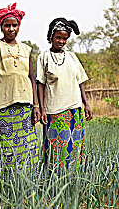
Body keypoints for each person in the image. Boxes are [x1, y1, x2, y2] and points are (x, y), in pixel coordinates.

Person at [0, 3, 40, 172]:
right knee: (4, 150)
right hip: (3, 106)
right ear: (1, 26)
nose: (11, 29)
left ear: (19, 26)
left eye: (14, 25)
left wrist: (35, 106)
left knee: (28, 150)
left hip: (25, 106)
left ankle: (29, 185)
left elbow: (32, 77)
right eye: (7, 25)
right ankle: (4, 187)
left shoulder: (26, 49)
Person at [36, 18, 93, 169]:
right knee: (55, 153)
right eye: (58, 37)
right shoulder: (43, 57)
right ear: (51, 37)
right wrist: (42, 109)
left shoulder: (72, 57)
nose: (61, 41)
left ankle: (73, 185)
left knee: (74, 151)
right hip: (54, 112)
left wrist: (86, 104)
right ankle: (54, 186)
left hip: (74, 110)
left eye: (65, 39)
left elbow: (80, 82)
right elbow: (40, 84)